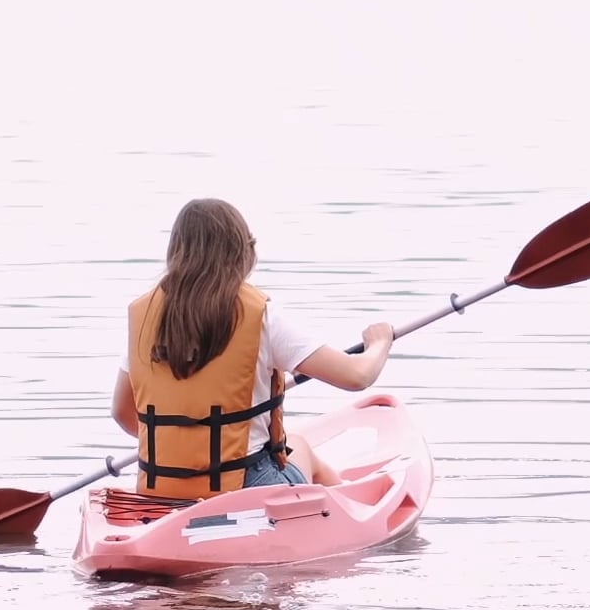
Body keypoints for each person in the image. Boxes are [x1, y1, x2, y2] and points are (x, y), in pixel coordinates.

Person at [112, 198, 396, 498]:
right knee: (300, 448)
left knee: (295, 443)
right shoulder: (262, 316)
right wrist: (380, 343)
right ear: (243, 251)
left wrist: (185, 448)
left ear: (175, 251)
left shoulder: (144, 318)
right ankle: (352, 508)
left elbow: (122, 412)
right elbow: (356, 376)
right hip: (246, 487)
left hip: (163, 486)